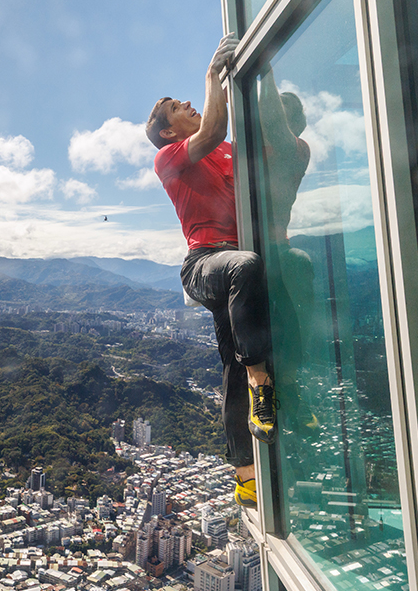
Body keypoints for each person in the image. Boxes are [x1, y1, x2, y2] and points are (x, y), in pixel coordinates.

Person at [145, 33, 274, 508]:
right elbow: (215, 130)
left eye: (186, 99)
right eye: (176, 106)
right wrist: (211, 77)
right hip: (205, 263)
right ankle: (263, 383)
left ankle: (245, 475)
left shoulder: (224, 152)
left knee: (229, 364)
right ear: (167, 132)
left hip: (236, 266)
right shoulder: (171, 158)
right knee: (245, 265)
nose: (187, 104)